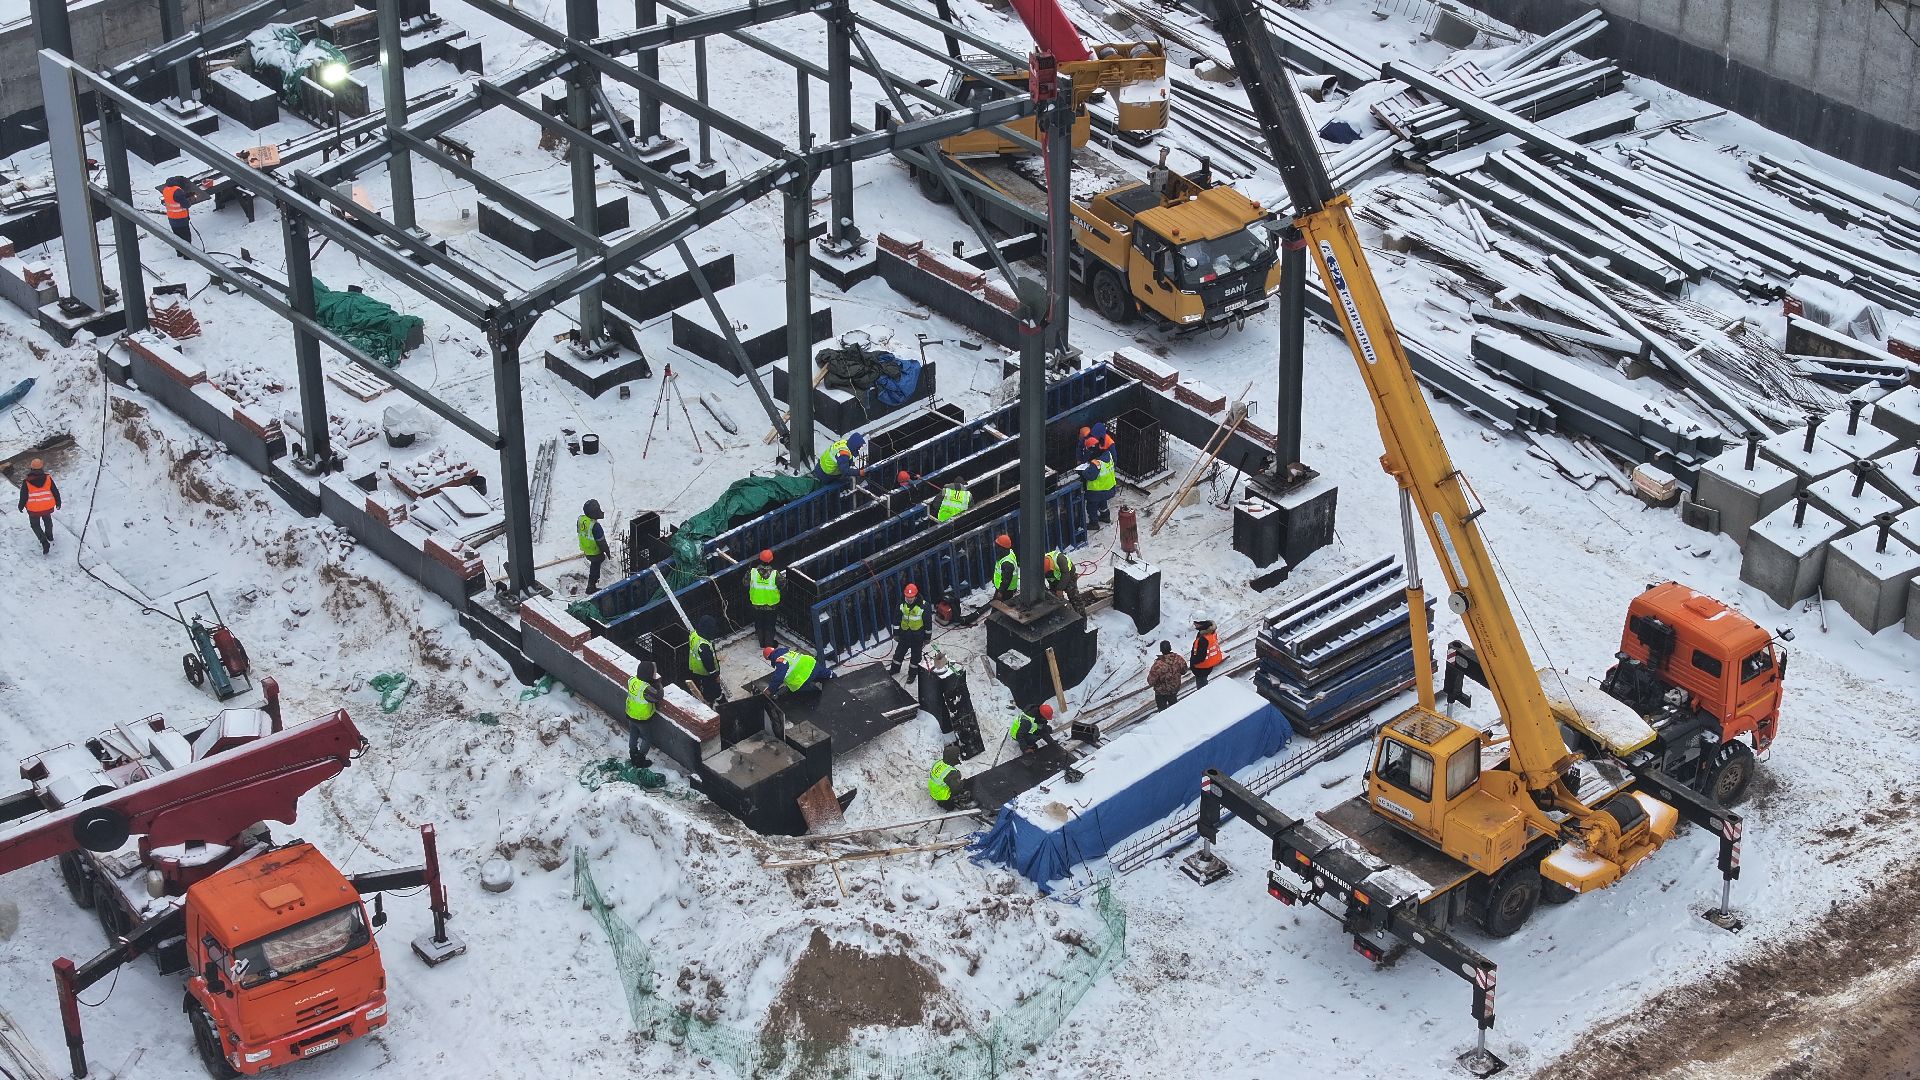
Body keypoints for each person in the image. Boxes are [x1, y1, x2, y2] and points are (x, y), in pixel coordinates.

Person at [18, 458, 59, 555]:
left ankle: (44, 542)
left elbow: (23, 496)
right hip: (47, 506)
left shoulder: (26, 482)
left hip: (34, 509)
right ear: (42, 467)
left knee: (35, 525)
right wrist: (58, 502)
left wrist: (20, 506)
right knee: (47, 520)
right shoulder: (48, 478)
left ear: (31, 468)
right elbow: (55, 491)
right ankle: (50, 536)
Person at [625, 660, 662, 768]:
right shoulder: (646, 689)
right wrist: (657, 683)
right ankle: (640, 760)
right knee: (646, 738)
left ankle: (633, 755)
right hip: (642, 718)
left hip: (630, 713)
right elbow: (658, 696)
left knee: (633, 735)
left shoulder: (632, 680)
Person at [160, 175, 213, 245]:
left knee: (177, 237)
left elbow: (175, 198)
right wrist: (189, 200)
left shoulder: (166, 190)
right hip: (181, 219)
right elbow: (186, 205)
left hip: (171, 218)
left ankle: (179, 252)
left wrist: (186, 195)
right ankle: (187, 255)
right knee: (186, 238)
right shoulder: (177, 191)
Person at [747, 549, 783, 648]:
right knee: (770, 625)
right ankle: (769, 644)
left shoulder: (752, 572)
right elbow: (783, 585)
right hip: (772, 605)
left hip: (756, 604)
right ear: (771, 560)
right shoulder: (775, 574)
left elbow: (745, 583)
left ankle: (762, 642)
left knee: (759, 623)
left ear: (760, 559)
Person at [890, 583, 928, 678]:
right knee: (898, 654)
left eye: (911, 597)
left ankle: (912, 675)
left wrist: (927, 638)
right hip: (904, 634)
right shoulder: (901, 604)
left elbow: (928, 623)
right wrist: (896, 634)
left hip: (917, 636)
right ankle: (894, 669)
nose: (909, 599)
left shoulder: (923, 606)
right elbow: (897, 619)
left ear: (916, 596)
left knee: (916, 657)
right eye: (907, 597)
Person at [764, 646, 831, 696]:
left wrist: (770, 690)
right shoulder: (787, 652)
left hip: (804, 678)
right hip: (812, 664)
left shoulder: (780, 660)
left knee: (809, 693)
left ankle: (818, 694)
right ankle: (834, 677)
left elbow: (779, 677)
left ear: (769, 657)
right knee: (826, 673)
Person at [686, 615, 725, 703]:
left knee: (703, 687)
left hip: (694, 669)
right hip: (705, 673)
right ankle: (719, 702)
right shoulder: (704, 646)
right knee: (713, 690)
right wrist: (715, 675)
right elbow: (709, 664)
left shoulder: (694, 634)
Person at [1079, 439, 1117, 524]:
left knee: (1091, 507)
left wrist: (1083, 472)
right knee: (1103, 502)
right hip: (1109, 487)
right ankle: (1105, 516)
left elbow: (1091, 476)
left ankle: (1094, 523)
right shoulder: (1108, 454)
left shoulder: (1096, 463)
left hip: (1096, 491)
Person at [577, 499, 608, 594]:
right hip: (595, 551)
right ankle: (591, 586)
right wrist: (607, 551)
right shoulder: (595, 526)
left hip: (586, 548)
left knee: (597, 561)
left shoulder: (581, 519)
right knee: (595, 566)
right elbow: (601, 542)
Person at [1148, 640, 1187, 711]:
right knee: (1174, 708)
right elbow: (1184, 671)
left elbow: (1150, 681)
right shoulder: (1178, 659)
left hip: (1161, 693)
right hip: (1174, 689)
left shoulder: (1158, 665)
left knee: (1162, 711)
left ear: (1161, 650)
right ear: (1170, 648)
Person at [1044, 550, 1084, 616]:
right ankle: (1060, 613)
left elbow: (1066, 575)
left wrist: (1059, 589)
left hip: (1069, 576)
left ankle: (1081, 616)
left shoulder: (1060, 559)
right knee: (1054, 598)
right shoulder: (1041, 564)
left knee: (1074, 597)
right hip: (1055, 578)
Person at [1190, 619, 1224, 689]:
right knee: (1203, 681)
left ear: (1201, 624)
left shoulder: (1203, 640)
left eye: (1196, 623)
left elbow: (1200, 657)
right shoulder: (1209, 632)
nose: (1194, 624)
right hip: (1208, 665)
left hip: (1201, 668)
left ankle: (1205, 696)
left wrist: (1192, 663)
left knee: (1202, 686)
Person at [991, 533, 1019, 604]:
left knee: (999, 610)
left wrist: (1001, 592)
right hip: (1003, 588)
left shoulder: (1007, 563)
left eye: (998, 546)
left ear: (1002, 548)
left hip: (1006, 591)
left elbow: (1006, 580)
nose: (996, 548)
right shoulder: (1008, 553)